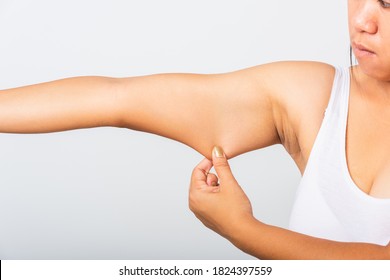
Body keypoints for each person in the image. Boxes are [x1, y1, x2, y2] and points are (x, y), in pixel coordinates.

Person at [1, 0, 390, 259]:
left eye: (387, 3)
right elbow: (115, 99)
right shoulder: (315, 95)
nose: (361, 21)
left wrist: (243, 230)